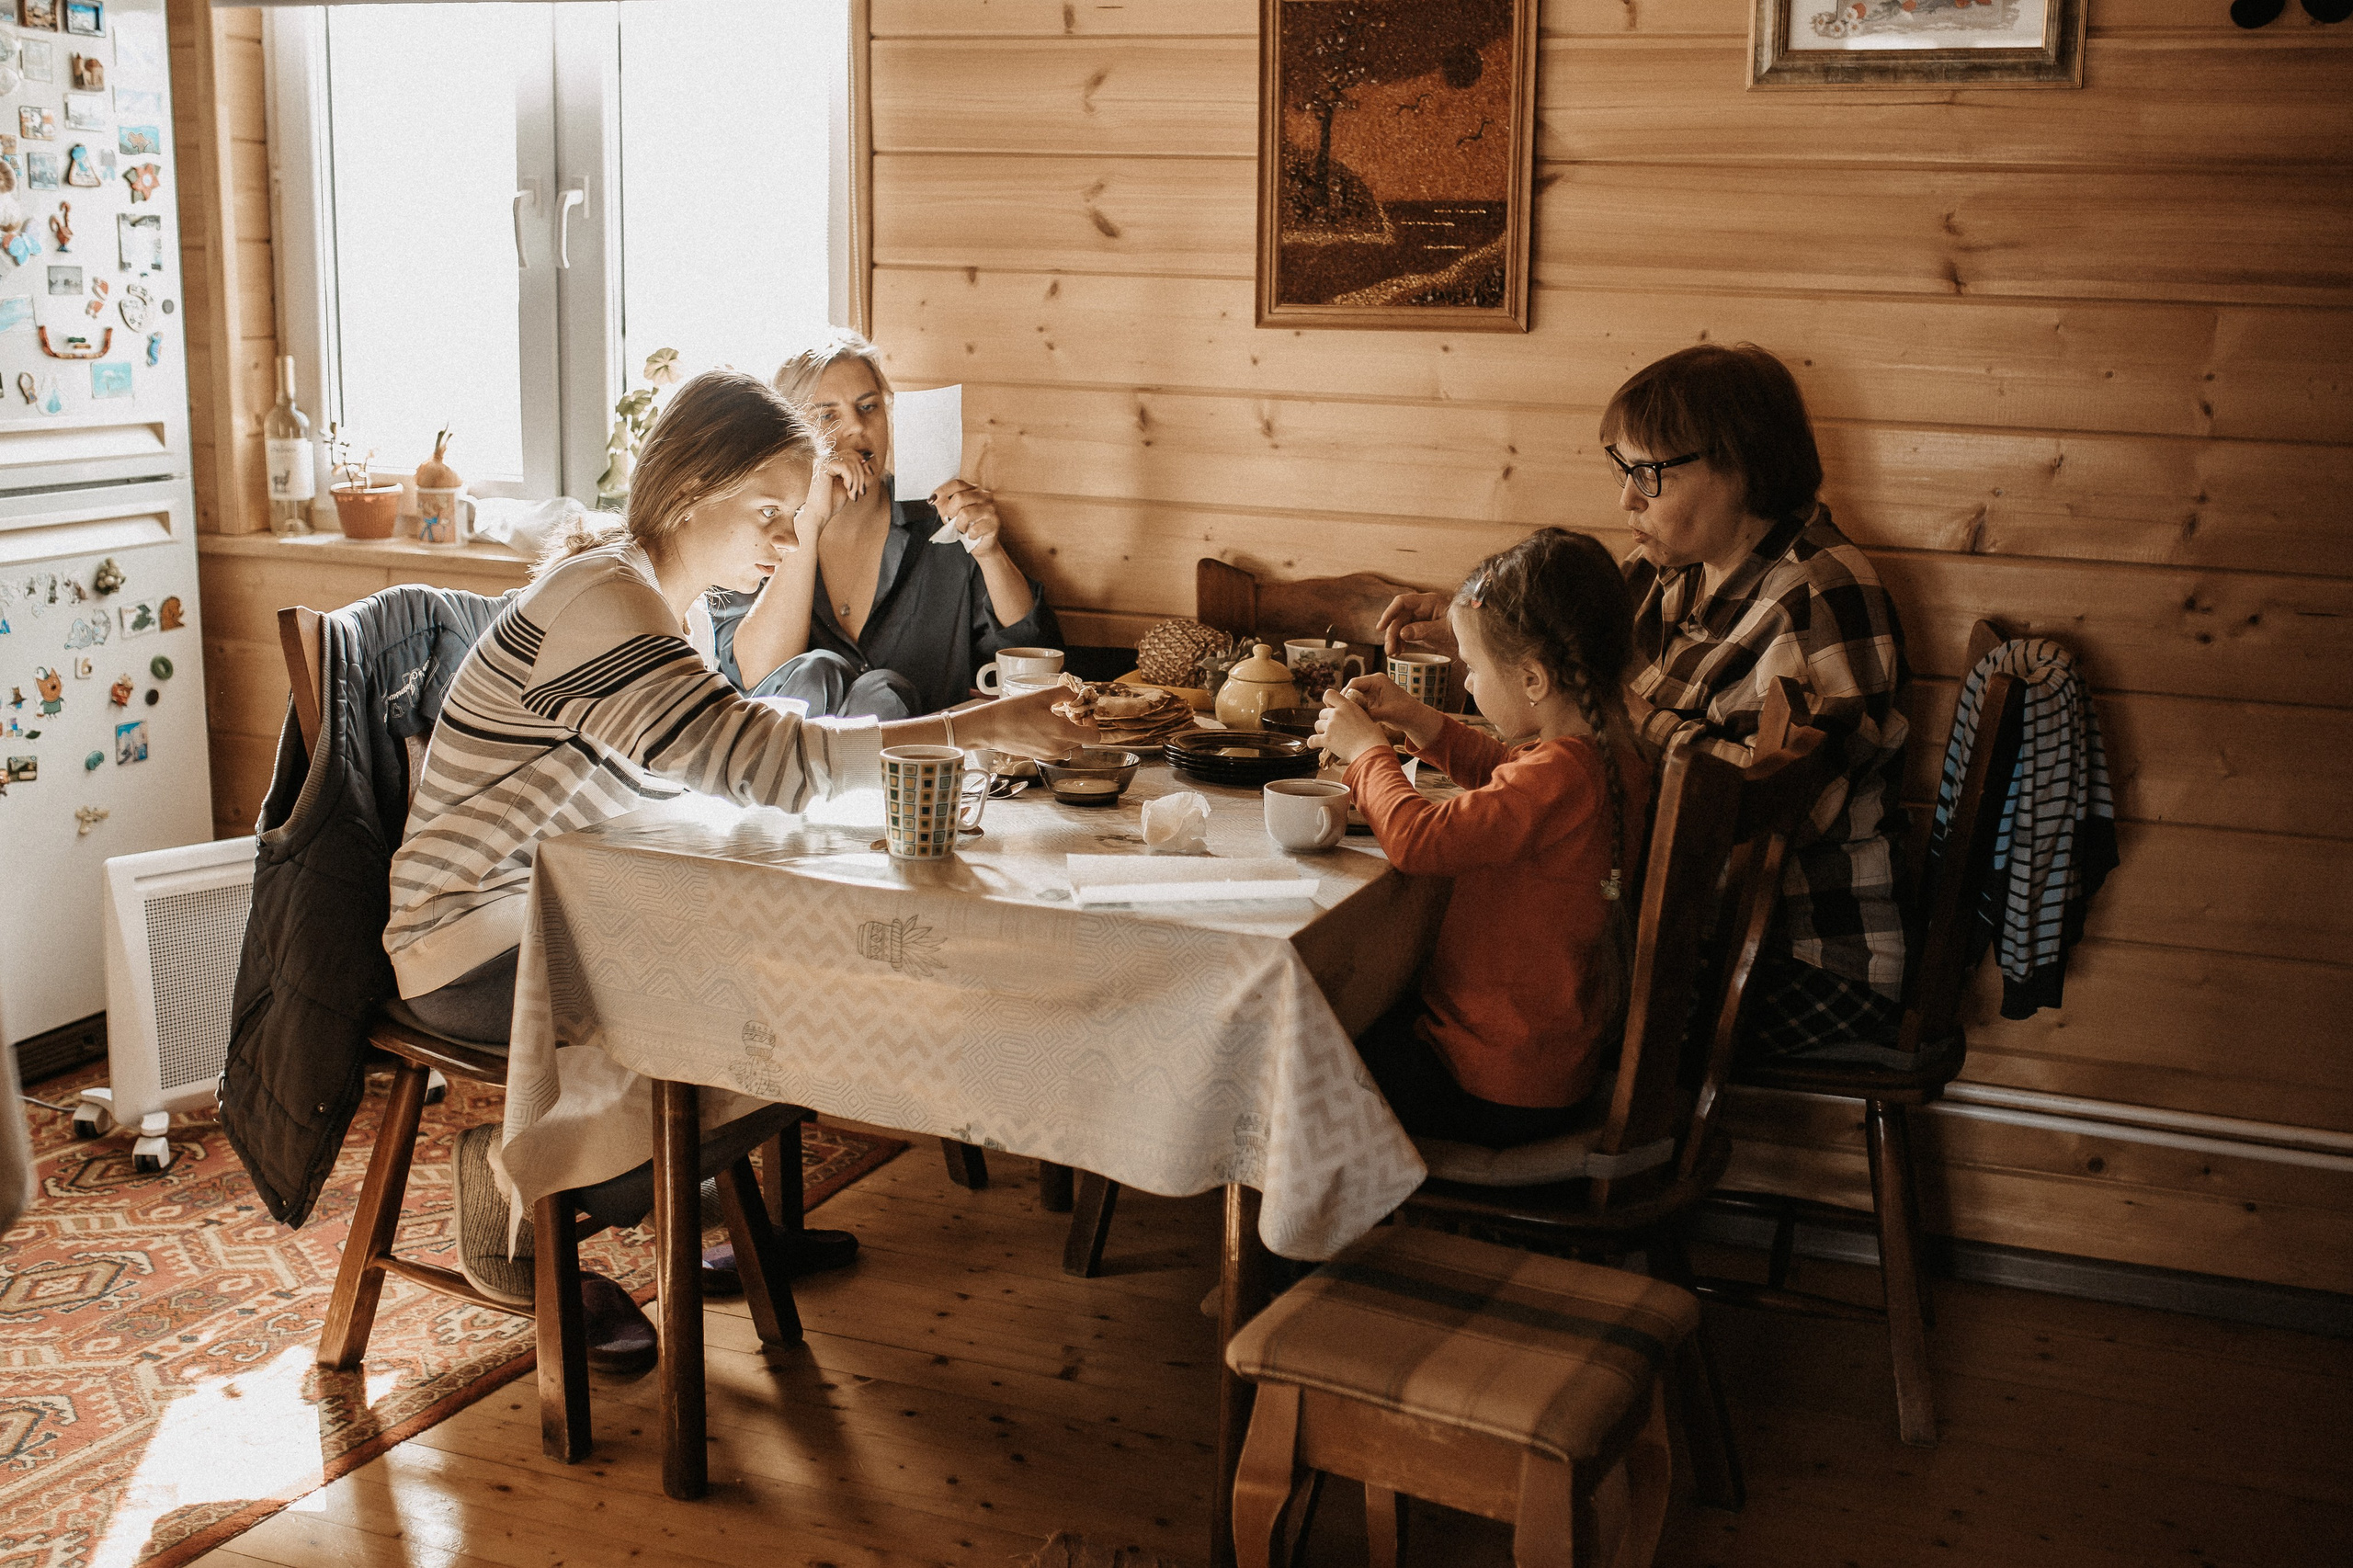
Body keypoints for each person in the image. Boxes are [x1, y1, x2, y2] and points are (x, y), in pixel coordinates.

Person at [382, 369, 1089, 1346]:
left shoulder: (652, 601)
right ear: (685, 493)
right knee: (771, 1013)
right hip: (474, 940)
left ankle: (656, 1190)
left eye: (791, 515)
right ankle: (521, 1187)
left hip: (569, 909)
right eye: (768, 512)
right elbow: (763, 763)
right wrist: (976, 726)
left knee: (805, 989)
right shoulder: (602, 599)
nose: (787, 540)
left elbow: (712, 762)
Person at [1373, 343, 1910, 1055]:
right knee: (1436, 977)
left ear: (1740, 466)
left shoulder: (1820, 593)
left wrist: (1634, 715)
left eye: (1650, 474)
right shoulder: (1667, 573)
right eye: (1623, 470)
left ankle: (1511, 1144)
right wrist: (1474, 638)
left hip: (1798, 953)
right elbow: (1568, 685)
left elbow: (1785, 810)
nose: (1627, 498)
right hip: (1684, 923)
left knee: (1464, 1004)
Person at [1315, 529, 1651, 1149]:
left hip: (1494, 1082)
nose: (1468, 682)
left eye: (1472, 669)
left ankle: (1301, 1234)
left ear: (1532, 680)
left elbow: (1418, 840)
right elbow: (1511, 784)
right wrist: (1422, 722)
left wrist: (1366, 753)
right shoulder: (1603, 754)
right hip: (1543, 1062)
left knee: (1312, 1046)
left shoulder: (1558, 775)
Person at [704, 329, 1061, 718]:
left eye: (868, 407)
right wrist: (810, 521)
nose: (857, 427)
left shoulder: (941, 522)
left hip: (928, 770)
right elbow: (758, 674)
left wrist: (990, 553)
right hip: (802, 773)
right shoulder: (752, 532)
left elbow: (1031, 653)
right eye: (827, 415)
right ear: (790, 433)